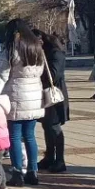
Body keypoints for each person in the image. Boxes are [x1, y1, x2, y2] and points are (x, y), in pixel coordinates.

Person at [0, 19, 45, 187]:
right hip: (34, 96)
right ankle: (33, 171)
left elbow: (2, 74)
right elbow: (42, 71)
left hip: (15, 95)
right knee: (30, 136)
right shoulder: (37, 47)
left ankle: (17, 172)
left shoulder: (11, 48)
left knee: (15, 136)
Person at [33, 30, 70, 173]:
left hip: (55, 96)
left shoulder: (55, 53)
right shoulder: (44, 53)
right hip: (45, 95)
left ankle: (60, 160)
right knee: (47, 126)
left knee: (54, 127)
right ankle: (49, 156)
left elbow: (53, 75)